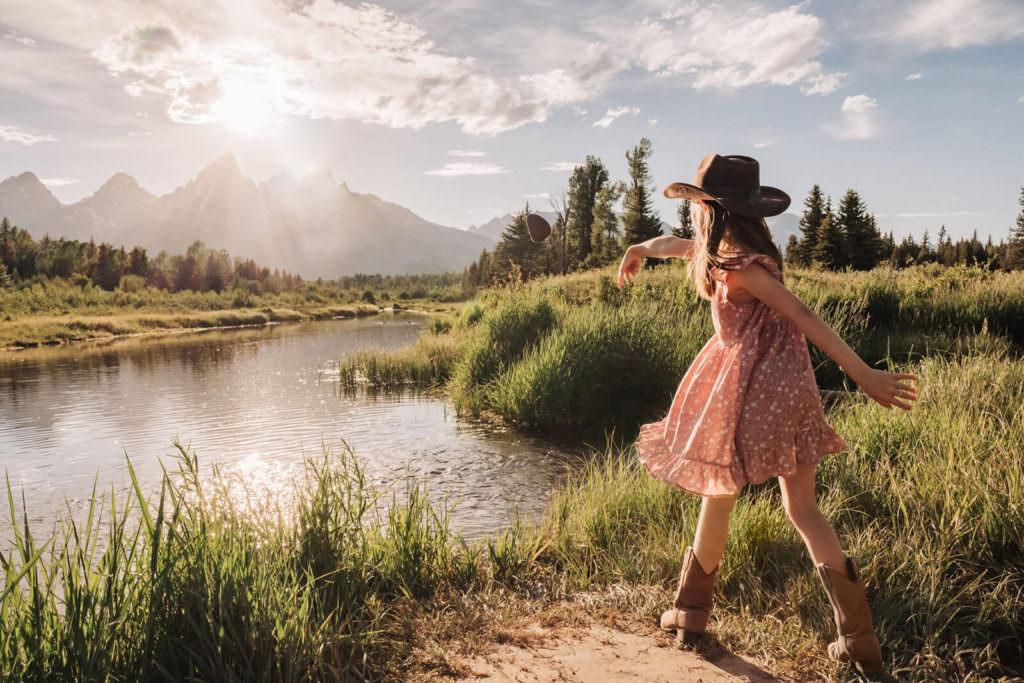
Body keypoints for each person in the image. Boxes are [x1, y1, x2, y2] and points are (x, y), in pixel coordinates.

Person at [616, 154, 915, 679]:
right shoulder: (729, 256)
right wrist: (639, 249)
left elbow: (804, 315)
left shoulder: (741, 268)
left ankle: (690, 613)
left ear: (710, 210)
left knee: (719, 492)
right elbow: (675, 247)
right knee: (803, 510)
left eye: (697, 207)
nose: (693, 219)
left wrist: (864, 374)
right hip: (791, 392)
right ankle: (859, 641)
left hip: (747, 392)